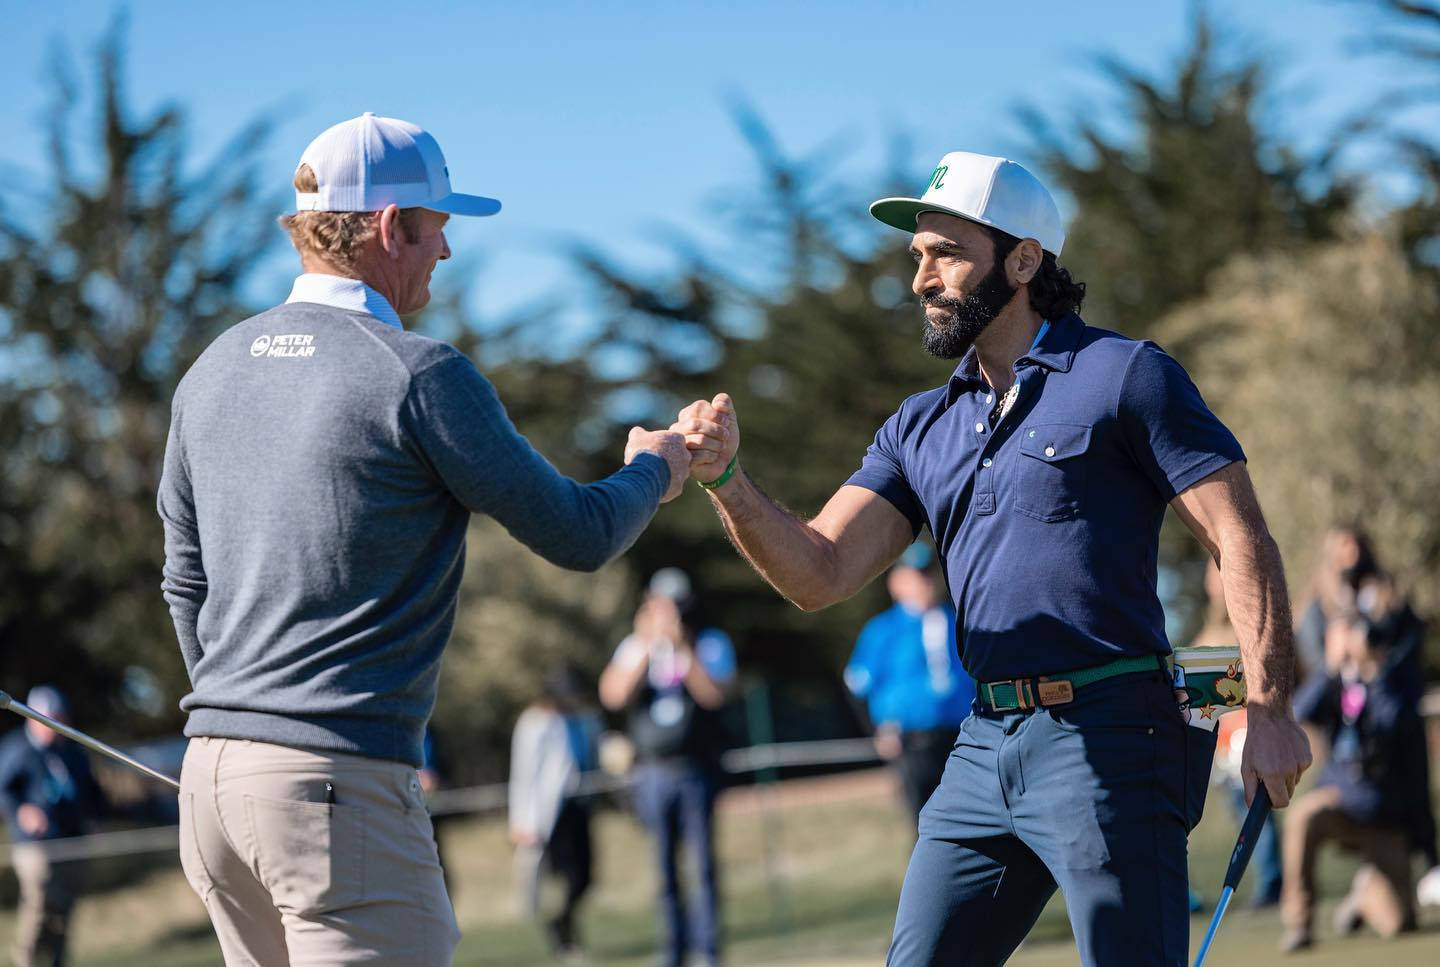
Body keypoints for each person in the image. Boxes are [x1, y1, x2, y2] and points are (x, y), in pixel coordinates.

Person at [672, 150, 1311, 965]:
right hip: (980, 747)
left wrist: (1269, 707)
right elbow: (820, 570)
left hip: (1114, 731)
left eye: (947, 254)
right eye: (917, 258)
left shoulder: (1126, 375)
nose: (922, 280)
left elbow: (1240, 537)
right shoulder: (918, 426)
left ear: (1022, 259)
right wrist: (727, 478)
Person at [156, 113, 691, 965]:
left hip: (212, 786)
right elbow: (581, 533)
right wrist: (658, 468)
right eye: (438, 227)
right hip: (336, 790)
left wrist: (245, 721)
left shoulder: (211, 366)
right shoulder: (417, 372)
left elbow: (185, 583)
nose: (446, 252)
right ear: (388, 226)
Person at [599, 568, 736, 967]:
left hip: (697, 769)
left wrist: (683, 648)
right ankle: (672, 953)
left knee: (704, 867)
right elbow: (613, 694)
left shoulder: (709, 642)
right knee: (664, 870)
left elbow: (714, 695)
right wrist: (647, 644)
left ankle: (708, 952)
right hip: (653, 772)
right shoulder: (635, 645)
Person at [1281, 607, 1432, 950]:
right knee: (1303, 815)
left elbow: (1392, 722)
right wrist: (1330, 670)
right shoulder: (1334, 684)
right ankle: (1299, 922)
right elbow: (1300, 711)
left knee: (1399, 923)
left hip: (1384, 817)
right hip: (1341, 805)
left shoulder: (1393, 681)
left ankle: (1364, 895)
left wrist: (1374, 672)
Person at [844, 542, 975, 823]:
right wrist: (878, 731)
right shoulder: (883, 630)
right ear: (897, 583)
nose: (924, 583)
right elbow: (857, 686)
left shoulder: (960, 623)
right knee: (923, 822)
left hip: (963, 738)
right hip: (913, 742)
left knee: (970, 818)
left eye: (928, 575)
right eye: (916, 576)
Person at [1192, 559, 1283, 908]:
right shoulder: (1207, 635)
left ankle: (1273, 882)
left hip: (1250, 737)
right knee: (1240, 814)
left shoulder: (1253, 630)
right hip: (1224, 747)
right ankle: (1266, 881)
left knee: (1259, 815)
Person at [0, 686, 107, 967]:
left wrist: (97, 817)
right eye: (49, 719)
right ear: (33, 719)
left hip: (72, 841)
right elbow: (4, 791)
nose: (55, 726)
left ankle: (58, 962)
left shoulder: (72, 750)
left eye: (59, 718)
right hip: (35, 847)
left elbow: (92, 790)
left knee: (65, 912)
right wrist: (22, 810)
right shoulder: (17, 749)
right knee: (39, 909)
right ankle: (27, 962)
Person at [508, 667, 603, 958]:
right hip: (550, 812)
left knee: (585, 875)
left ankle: (563, 922)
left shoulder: (587, 719)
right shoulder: (536, 723)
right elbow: (523, 773)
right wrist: (520, 819)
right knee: (564, 874)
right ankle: (562, 931)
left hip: (580, 805)